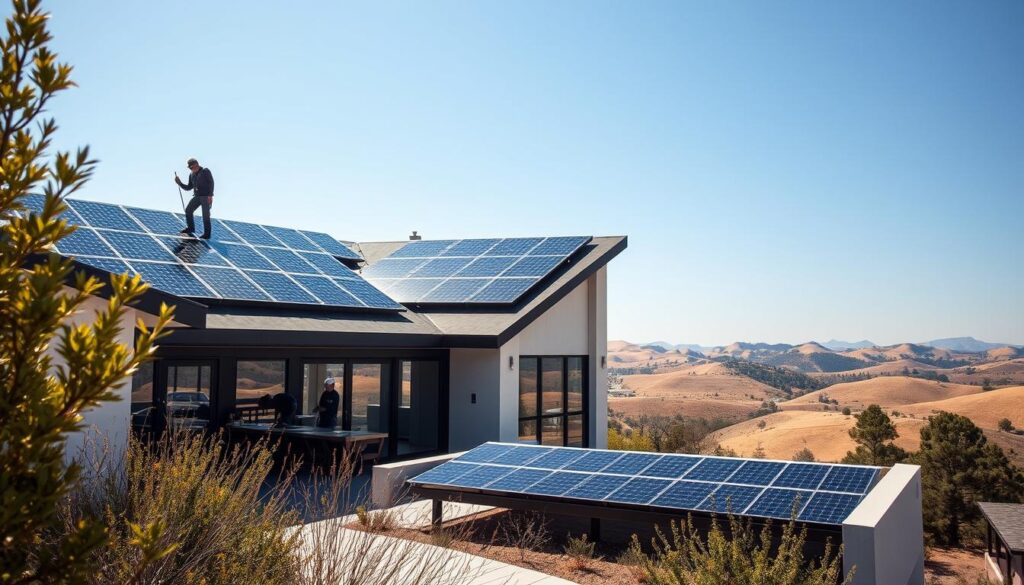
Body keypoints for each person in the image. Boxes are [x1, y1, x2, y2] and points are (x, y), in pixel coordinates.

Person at [174, 157, 215, 239]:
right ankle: (191, 228)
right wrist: (180, 183)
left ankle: (207, 234)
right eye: (190, 168)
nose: (191, 169)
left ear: (197, 164)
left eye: (192, 167)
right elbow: (189, 187)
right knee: (188, 210)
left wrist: (210, 195)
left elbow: (211, 183)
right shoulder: (191, 175)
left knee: (205, 215)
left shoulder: (205, 171)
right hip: (197, 196)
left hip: (206, 196)